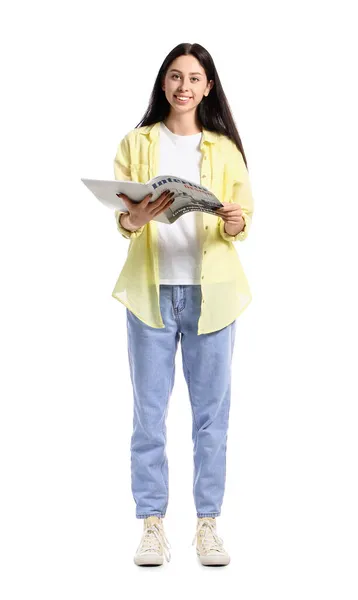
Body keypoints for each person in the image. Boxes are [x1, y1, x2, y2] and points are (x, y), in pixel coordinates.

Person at [112, 42, 254, 567]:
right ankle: (152, 524)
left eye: (194, 78)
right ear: (163, 82)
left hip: (210, 296)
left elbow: (243, 219)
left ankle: (207, 524)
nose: (184, 86)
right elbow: (122, 221)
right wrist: (137, 219)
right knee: (149, 416)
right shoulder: (137, 142)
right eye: (175, 76)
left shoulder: (224, 148)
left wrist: (236, 222)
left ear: (208, 87)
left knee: (211, 417)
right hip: (150, 293)